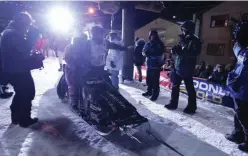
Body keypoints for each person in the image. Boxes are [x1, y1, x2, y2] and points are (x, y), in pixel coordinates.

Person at [0, 12, 42, 127]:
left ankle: (16, 117)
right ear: (22, 23)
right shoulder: (12, 33)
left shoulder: (10, 31)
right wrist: (33, 34)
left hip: (14, 69)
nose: (28, 27)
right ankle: (24, 120)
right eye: (28, 24)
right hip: (17, 70)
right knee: (27, 93)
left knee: (21, 93)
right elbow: (25, 48)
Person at [164, 20, 201, 114]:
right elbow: (179, 50)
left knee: (189, 89)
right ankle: (173, 103)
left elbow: (194, 53)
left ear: (188, 30)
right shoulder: (183, 39)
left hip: (187, 68)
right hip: (178, 67)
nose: (183, 31)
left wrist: (180, 51)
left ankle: (192, 107)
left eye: (184, 29)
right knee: (175, 86)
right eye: (182, 29)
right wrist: (174, 50)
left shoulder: (195, 40)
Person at [225, 20, 248, 152]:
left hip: (245, 89)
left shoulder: (244, 51)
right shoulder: (243, 49)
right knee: (238, 112)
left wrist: (238, 44)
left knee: (244, 115)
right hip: (239, 89)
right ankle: (237, 134)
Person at [142, 30, 164, 101]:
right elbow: (143, 51)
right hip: (149, 64)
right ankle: (149, 91)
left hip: (156, 65)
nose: (152, 36)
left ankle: (155, 94)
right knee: (148, 80)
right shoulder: (147, 43)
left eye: (154, 35)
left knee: (155, 81)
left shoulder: (159, 43)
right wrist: (145, 53)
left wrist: (151, 53)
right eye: (151, 35)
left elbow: (160, 53)